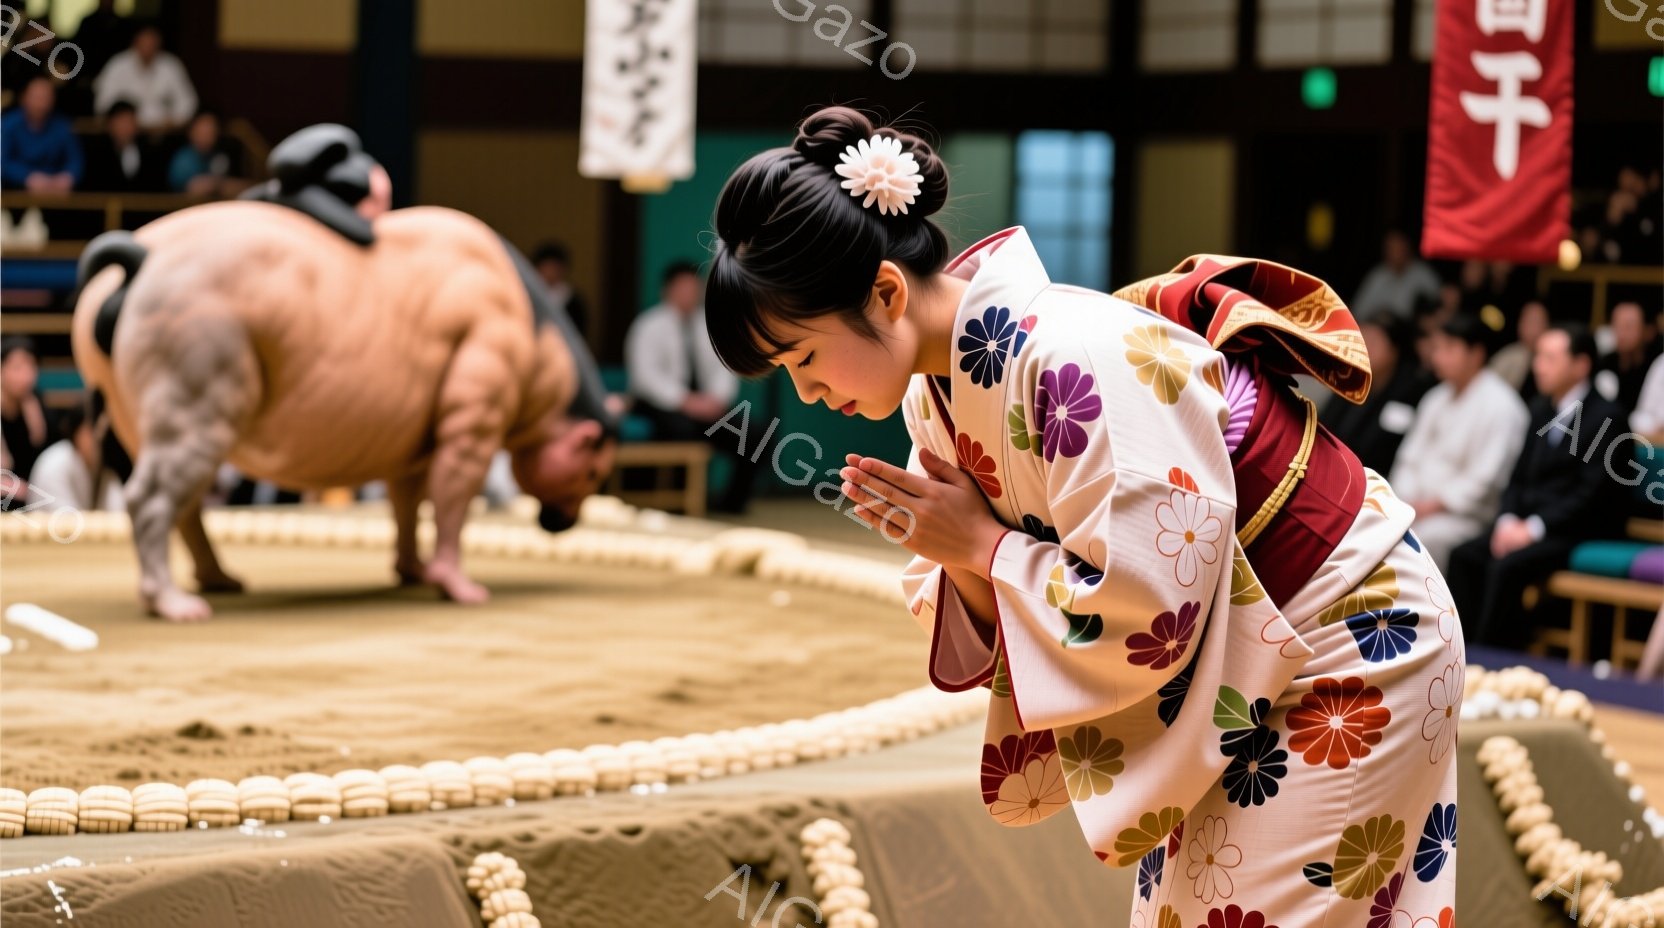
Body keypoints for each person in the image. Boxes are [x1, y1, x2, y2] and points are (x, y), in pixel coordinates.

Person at [703, 106, 1459, 927]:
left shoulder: (1072, 352)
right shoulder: (933, 400)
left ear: (885, 292)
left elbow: (1153, 604)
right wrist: (958, 550)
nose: (806, 391)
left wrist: (983, 545)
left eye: (804, 357)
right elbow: (999, 609)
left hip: (1348, 634)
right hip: (1246, 663)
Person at [1447, 324, 1633, 651]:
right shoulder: (1540, 409)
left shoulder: (1607, 417)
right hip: (1530, 521)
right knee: (1464, 555)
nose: (1538, 366)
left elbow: (1592, 496)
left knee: (1507, 566)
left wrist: (1533, 528)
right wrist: (1506, 520)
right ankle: (1454, 652)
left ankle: (1488, 658)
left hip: (1578, 528)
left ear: (1581, 364)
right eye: (1539, 357)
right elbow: (1518, 476)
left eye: (1550, 358)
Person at [1389, 314, 1528, 571]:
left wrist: (1433, 505)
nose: (1438, 358)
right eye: (1437, 348)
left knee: (1423, 539)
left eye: (1449, 349)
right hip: (1415, 507)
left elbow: (1487, 478)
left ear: (1476, 354)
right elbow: (1408, 459)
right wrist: (1406, 502)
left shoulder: (1502, 405)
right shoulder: (1434, 398)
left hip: (1465, 517)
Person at [626, 261, 754, 512]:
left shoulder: (710, 325)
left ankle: (730, 503)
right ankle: (676, 503)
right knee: (680, 428)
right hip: (659, 405)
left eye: (693, 288)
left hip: (707, 407)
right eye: (682, 288)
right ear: (667, 290)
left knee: (754, 434)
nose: (688, 294)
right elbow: (645, 376)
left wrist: (717, 399)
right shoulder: (648, 325)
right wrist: (684, 401)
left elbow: (725, 367)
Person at [1319, 309, 1433, 474]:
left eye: (1373, 342)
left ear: (1394, 351)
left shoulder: (1409, 393)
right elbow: (1325, 425)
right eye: (1360, 341)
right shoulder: (1349, 376)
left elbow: (1386, 452)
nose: (1364, 349)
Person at [93, 24, 197, 132]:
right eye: (144, 43)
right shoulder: (117, 65)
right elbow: (103, 103)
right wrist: (124, 119)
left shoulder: (171, 66)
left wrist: (175, 119)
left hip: (164, 132)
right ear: (135, 43)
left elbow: (188, 101)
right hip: (126, 132)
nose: (147, 48)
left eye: (152, 44)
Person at [27, 405, 124, 513]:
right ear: (79, 432)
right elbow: (67, 522)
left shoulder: (101, 469)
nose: (99, 438)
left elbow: (119, 511)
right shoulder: (56, 463)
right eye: (92, 430)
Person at [1, 76, 83, 192]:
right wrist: (27, 177)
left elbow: (75, 160)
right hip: (16, 191)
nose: (41, 104)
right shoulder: (8, 124)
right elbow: (3, 162)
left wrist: (67, 177)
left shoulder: (63, 126)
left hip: (55, 190)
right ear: (24, 98)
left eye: (46, 97)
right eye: (36, 97)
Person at [0, 337, 48, 510]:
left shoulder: (36, 405)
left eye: (31, 367)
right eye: (17, 367)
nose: (26, 375)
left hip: (29, 497)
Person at [1353, 230, 1441, 320]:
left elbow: (1437, 309)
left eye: (1398, 248)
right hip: (1380, 328)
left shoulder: (1424, 274)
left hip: (1412, 330)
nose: (1394, 253)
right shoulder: (1377, 276)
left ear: (1407, 248)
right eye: (1390, 248)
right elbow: (1359, 311)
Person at [83, 100, 163, 192]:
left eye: (129, 121)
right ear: (110, 125)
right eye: (121, 122)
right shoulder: (96, 154)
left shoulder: (150, 152)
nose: (126, 127)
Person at [1596, 301, 1659, 413]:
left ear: (1649, 331)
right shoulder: (1603, 364)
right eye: (1616, 325)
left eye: (1629, 327)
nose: (1621, 333)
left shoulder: (1657, 368)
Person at [168, 110, 247, 196]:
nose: (207, 136)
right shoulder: (183, 160)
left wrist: (216, 184)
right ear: (191, 132)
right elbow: (195, 189)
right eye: (202, 131)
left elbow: (243, 186)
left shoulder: (221, 155)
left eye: (210, 131)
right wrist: (219, 184)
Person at [531, 242, 590, 343]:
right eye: (547, 267)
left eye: (555, 267)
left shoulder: (573, 300)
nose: (550, 272)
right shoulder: (528, 295)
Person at [1489, 299, 1547, 398]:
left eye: (1536, 321)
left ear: (1547, 325)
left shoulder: (1552, 357)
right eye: (1528, 321)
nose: (1532, 327)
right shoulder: (1507, 357)